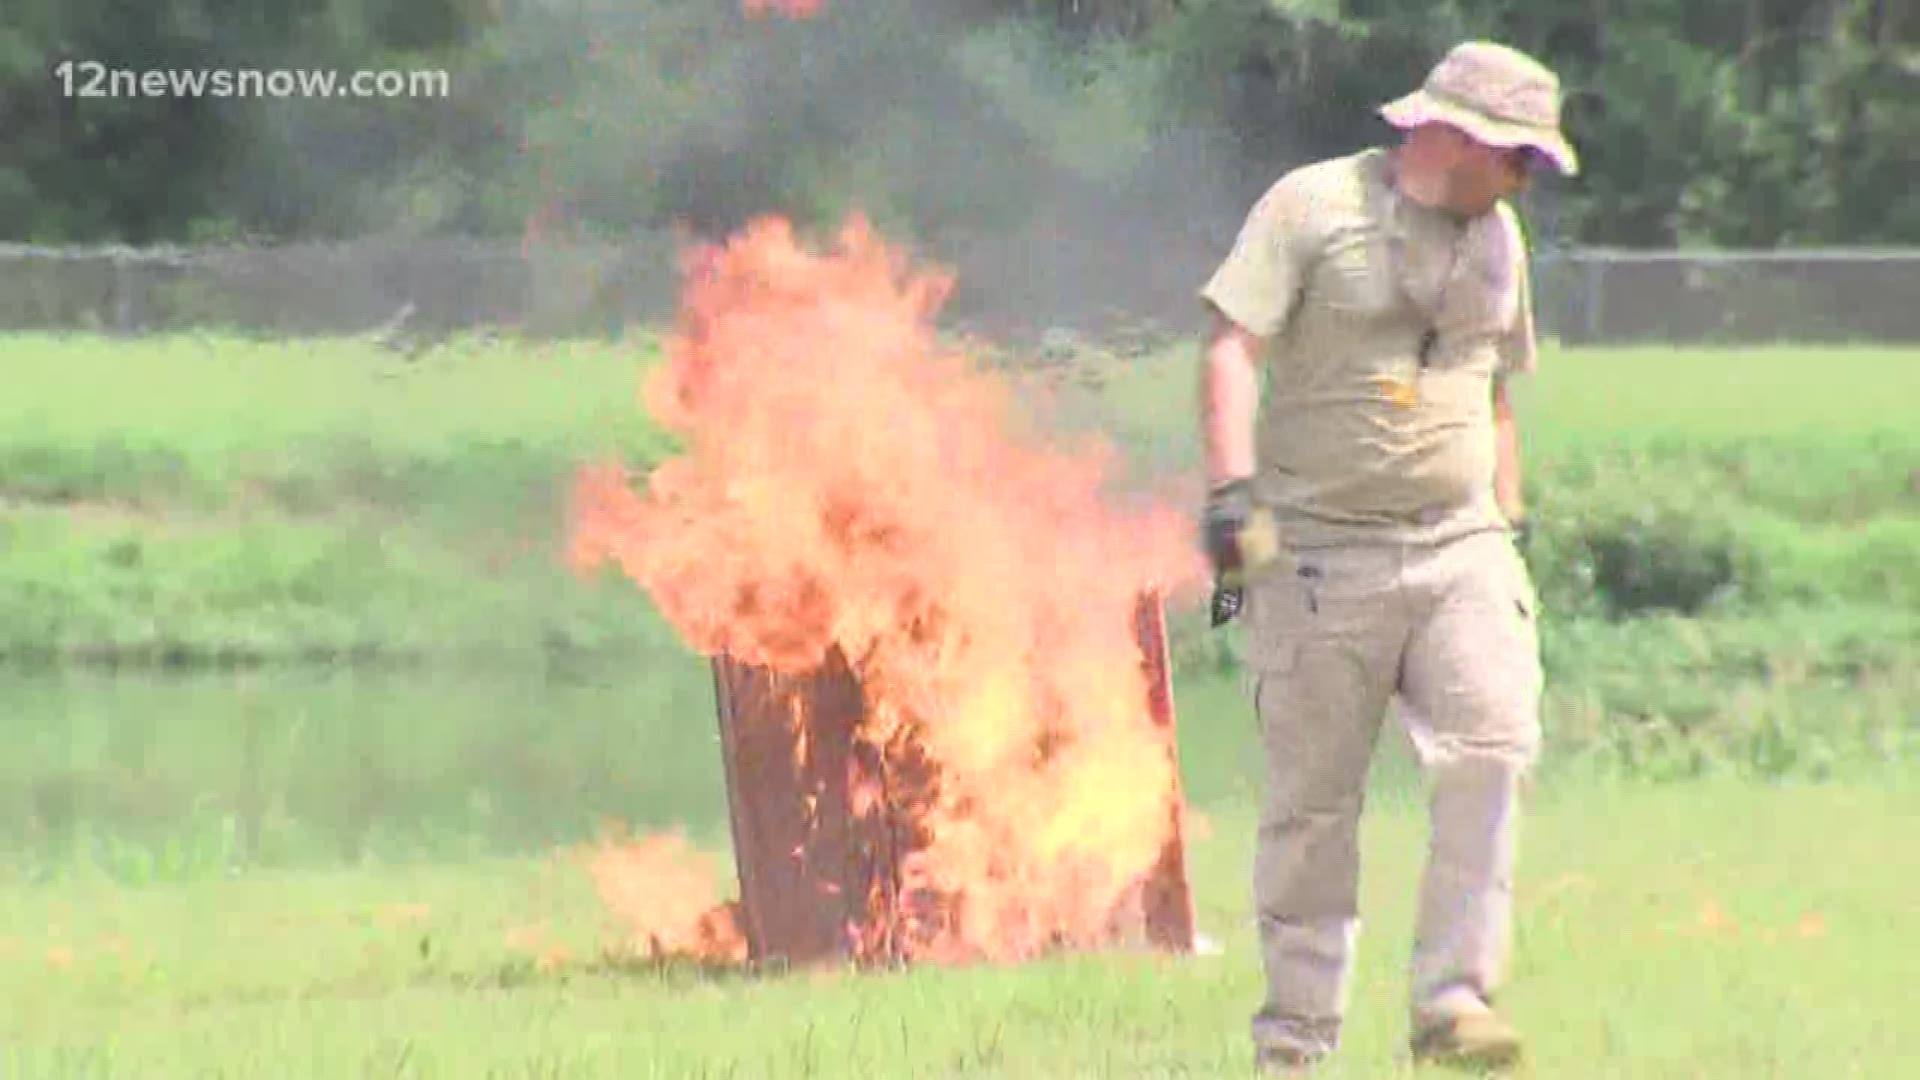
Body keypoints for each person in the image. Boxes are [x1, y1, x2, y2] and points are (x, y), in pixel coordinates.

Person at [1196, 40, 1578, 1075]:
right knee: (1314, 810)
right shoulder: (1312, 208)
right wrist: (1232, 496)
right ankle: (1296, 1044)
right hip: (1320, 558)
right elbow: (1233, 345)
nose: (1527, 179)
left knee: (1495, 749)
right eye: (1519, 157)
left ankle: (1451, 1004)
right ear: (1453, 136)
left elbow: (1493, 390)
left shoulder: (1499, 239)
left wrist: (1511, 522)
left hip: (1461, 547)